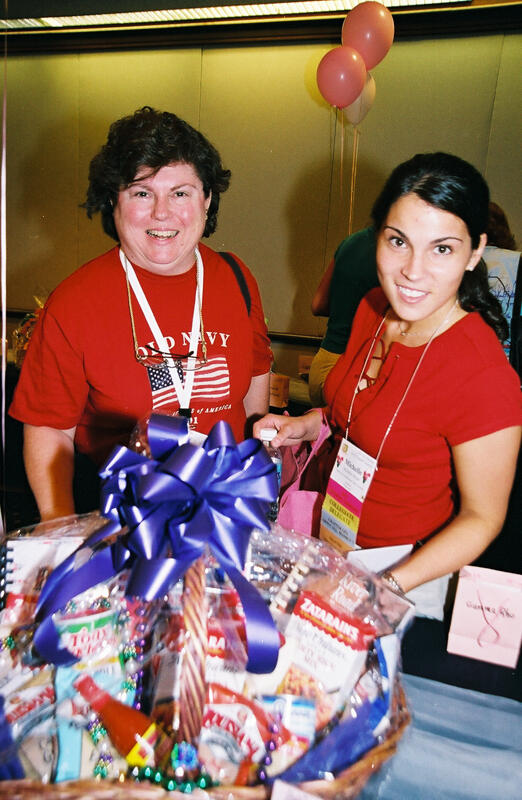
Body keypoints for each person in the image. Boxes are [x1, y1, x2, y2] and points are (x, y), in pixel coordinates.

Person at [254, 152, 521, 610]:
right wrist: (308, 424)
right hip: (331, 543)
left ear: (475, 251)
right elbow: (358, 415)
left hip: (404, 573)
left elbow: (483, 518)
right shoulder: (374, 308)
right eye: (398, 242)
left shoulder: (483, 373)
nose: (412, 271)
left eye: (442, 248)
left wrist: (385, 587)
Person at [10, 107, 272, 521]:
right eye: (142, 192)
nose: (162, 213)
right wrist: (56, 520)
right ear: (113, 200)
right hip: (126, 522)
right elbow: (48, 426)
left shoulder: (236, 279)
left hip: (226, 514)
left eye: (181, 192)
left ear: (207, 199)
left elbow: (255, 380)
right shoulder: (75, 302)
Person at [308, 228, 378, 406]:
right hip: (354, 372)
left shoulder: (350, 242)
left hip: (323, 364)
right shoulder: (393, 252)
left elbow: (318, 305)